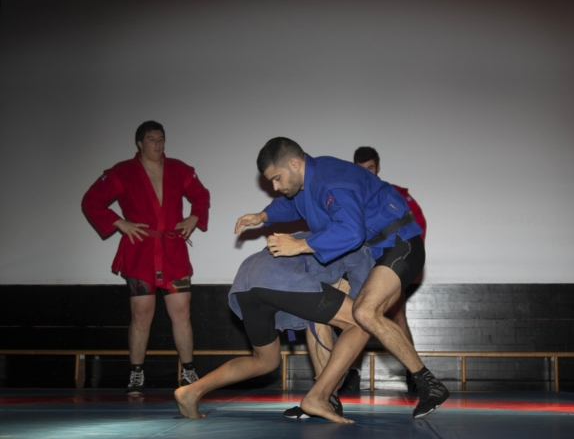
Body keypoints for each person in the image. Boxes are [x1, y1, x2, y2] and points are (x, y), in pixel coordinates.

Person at [231, 137, 449, 419]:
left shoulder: (332, 179)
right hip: (366, 253)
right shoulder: (305, 185)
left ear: (295, 163)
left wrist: (299, 245)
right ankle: (325, 397)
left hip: (398, 243)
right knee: (318, 318)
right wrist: (263, 215)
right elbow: (291, 205)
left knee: (365, 313)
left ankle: (429, 384)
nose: (275, 186)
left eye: (277, 178)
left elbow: (351, 231)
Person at [173, 236, 373, 423]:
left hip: (247, 279)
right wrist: (331, 380)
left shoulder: (323, 235)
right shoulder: (359, 248)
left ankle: (191, 391)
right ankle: (319, 398)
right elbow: (361, 309)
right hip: (277, 277)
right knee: (361, 323)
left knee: (265, 360)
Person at [81, 121, 210, 395]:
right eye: (152, 139)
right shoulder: (122, 172)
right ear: (140, 143)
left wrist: (194, 217)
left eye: (161, 138)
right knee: (141, 314)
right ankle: (136, 373)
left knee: (182, 312)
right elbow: (91, 200)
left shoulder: (179, 169)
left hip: (172, 251)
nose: (158, 144)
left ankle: (189, 371)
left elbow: (201, 195)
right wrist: (119, 222)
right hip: (140, 251)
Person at [338, 146, 427, 392]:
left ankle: (415, 375)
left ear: (377, 168)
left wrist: (403, 268)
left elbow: (417, 229)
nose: (366, 173)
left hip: (391, 264)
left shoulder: (394, 193)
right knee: (356, 316)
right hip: (361, 267)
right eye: (361, 169)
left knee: (397, 316)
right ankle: (352, 374)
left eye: (370, 168)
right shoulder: (350, 197)